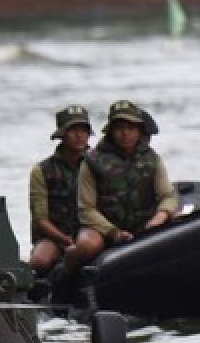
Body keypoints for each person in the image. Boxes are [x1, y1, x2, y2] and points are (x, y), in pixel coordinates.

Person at [64, 100, 178, 275]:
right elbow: (86, 209)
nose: (125, 133)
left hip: (144, 224)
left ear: (139, 131)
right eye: (119, 128)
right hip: (104, 228)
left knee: (177, 223)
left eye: (130, 128)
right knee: (88, 245)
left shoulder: (152, 159)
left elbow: (168, 196)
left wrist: (159, 218)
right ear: (111, 131)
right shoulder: (92, 161)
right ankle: (64, 277)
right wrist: (114, 232)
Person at [27, 105, 93, 277]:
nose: (79, 135)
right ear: (62, 134)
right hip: (55, 237)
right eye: (73, 130)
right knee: (39, 262)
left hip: (91, 232)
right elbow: (41, 219)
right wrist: (65, 240)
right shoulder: (42, 171)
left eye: (83, 130)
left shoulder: (98, 165)